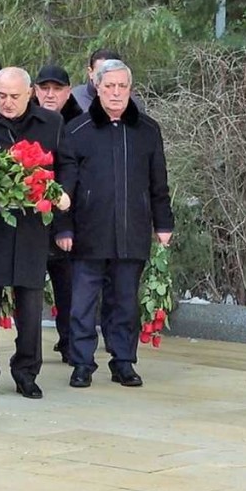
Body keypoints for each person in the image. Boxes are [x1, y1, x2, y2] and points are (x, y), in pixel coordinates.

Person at [58, 59, 173, 389]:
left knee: (124, 302)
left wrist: (163, 223)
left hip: (131, 231)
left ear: (130, 90)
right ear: (97, 88)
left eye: (122, 87)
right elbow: (65, 184)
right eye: (109, 86)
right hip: (87, 233)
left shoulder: (148, 131)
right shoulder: (77, 131)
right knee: (82, 303)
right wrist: (63, 228)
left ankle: (123, 361)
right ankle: (81, 363)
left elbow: (158, 183)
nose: (116, 93)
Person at [0, 68, 69, 400]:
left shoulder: (50, 124)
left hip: (31, 226)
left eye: (15, 97)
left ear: (30, 95)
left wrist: (58, 197)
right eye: (2, 96)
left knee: (29, 300)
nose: (7, 103)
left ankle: (26, 372)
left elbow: (66, 167)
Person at [33, 64, 80, 361]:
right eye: (44, 89)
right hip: (32, 219)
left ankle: (70, 343)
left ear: (68, 91)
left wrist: (65, 225)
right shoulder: (29, 120)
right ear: (35, 91)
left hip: (67, 220)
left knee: (69, 288)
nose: (50, 95)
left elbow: (74, 176)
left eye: (57, 89)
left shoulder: (80, 123)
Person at [71, 49, 147, 114]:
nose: (106, 77)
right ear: (90, 72)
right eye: (100, 72)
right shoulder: (73, 99)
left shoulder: (133, 104)